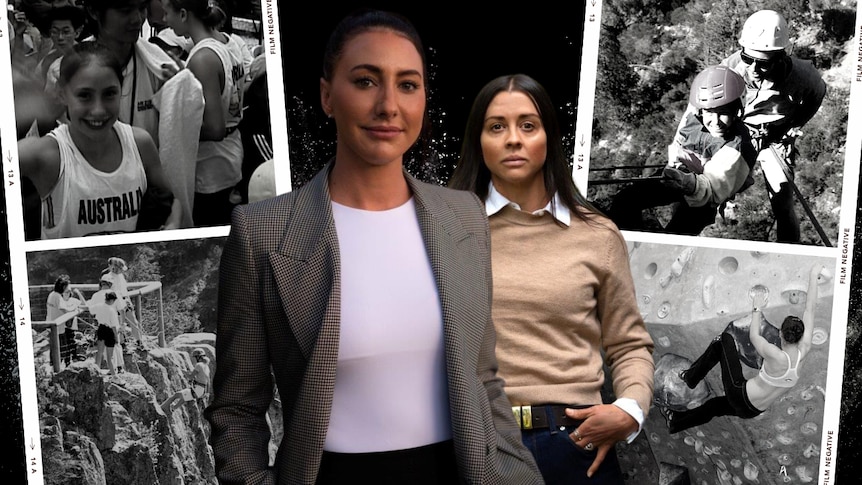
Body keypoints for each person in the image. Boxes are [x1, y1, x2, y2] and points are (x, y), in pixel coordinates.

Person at [205, 10, 542, 484]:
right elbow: (238, 408)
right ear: (327, 95)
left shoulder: (464, 216)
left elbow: (484, 381)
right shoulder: (261, 231)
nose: (388, 105)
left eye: (408, 85)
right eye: (366, 81)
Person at [449, 73, 655, 483]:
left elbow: (629, 343)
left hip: (576, 443)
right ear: (478, 141)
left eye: (528, 125)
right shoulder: (445, 230)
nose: (513, 139)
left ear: (550, 137)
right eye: (496, 127)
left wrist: (628, 410)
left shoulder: (597, 234)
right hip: (475, 443)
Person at [17, 41, 182, 239]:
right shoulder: (48, 154)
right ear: (62, 94)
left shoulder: (140, 144)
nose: (98, 110)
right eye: (85, 96)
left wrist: (172, 225)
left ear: (121, 90)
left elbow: (173, 201)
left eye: (109, 94)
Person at [664, 263, 823, 433]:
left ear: (781, 335)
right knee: (715, 407)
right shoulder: (804, 349)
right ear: (801, 336)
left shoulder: (775, 354)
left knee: (723, 340)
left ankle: (690, 378)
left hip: (739, 393)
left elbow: (754, 336)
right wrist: (814, 277)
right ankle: (676, 423)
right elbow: (810, 310)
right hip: (753, 410)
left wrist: (757, 307)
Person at [608, 65, 757, 235]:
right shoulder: (695, 115)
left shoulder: (736, 147)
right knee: (625, 200)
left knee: (674, 238)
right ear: (701, 110)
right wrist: (676, 164)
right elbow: (680, 141)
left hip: (704, 197)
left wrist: (688, 183)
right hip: (680, 174)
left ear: (737, 110)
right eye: (709, 113)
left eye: (723, 113)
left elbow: (713, 190)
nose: (715, 121)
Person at [722, 10, 826, 242]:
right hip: (739, 132)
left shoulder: (805, 77)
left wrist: (793, 126)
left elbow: (817, 94)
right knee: (709, 191)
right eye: (747, 59)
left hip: (776, 136)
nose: (753, 69)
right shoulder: (729, 70)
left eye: (763, 63)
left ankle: (789, 250)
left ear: (781, 56)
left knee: (783, 203)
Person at [162, 0, 245, 226]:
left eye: (166, 12)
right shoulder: (226, 44)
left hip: (211, 169)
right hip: (229, 157)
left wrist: (170, 128)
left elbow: (215, 128)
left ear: (182, 14)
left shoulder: (202, 58)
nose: (164, 20)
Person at [101, 257, 145, 350]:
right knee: (119, 323)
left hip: (125, 300)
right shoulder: (107, 277)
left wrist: (128, 300)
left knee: (133, 321)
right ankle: (122, 343)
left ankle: (139, 341)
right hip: (115, 302)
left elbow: (124, 288)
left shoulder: (121, 276)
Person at [46, 274, 86, 366]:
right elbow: (65, 310)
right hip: (57, 327)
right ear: (63, 287)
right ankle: (57, 369)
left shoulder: (52, 295)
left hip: (55, 326)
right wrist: (74, 308)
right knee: (60, 351)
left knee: (57, 350)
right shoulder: (57, 297)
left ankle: (56, 368)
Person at [161, 347, 211, 413]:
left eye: (195, 357)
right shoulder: (206, 366)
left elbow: (190, 377)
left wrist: (184, 372)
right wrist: (207, 393)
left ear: (197, 357)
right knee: (184, 396)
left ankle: (162, 407)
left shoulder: (198, 365)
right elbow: (208, 381)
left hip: (197, 390)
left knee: (176, 395)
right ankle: (173, 408)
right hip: (201, 391)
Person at [90, 290, 121, 375]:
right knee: (109, 356)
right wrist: (116, 338)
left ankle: (96, 371)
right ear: (112, 300)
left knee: (99, 352)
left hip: (101, 329)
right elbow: (114, 326)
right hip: (109, 331)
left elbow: (91, 310)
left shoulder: (99, 306)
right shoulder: (111, 311)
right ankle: (114, 375)